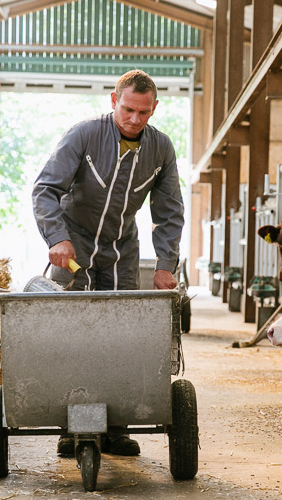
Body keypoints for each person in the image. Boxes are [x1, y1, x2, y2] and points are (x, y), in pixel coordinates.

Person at [32, 69, 185, 457]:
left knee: (120, 334)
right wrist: (57, 238)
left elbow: (169, 212)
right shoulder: (84, 135)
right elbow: (45, 189)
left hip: (121, 248)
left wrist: (166, 263)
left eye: (144, 113)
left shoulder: (161, 149)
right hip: (74, 248)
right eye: (129, 109)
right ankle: (71, 425)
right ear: (113, 100)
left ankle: (116, 426)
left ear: (154, 109)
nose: (135, 119)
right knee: (72, 331)